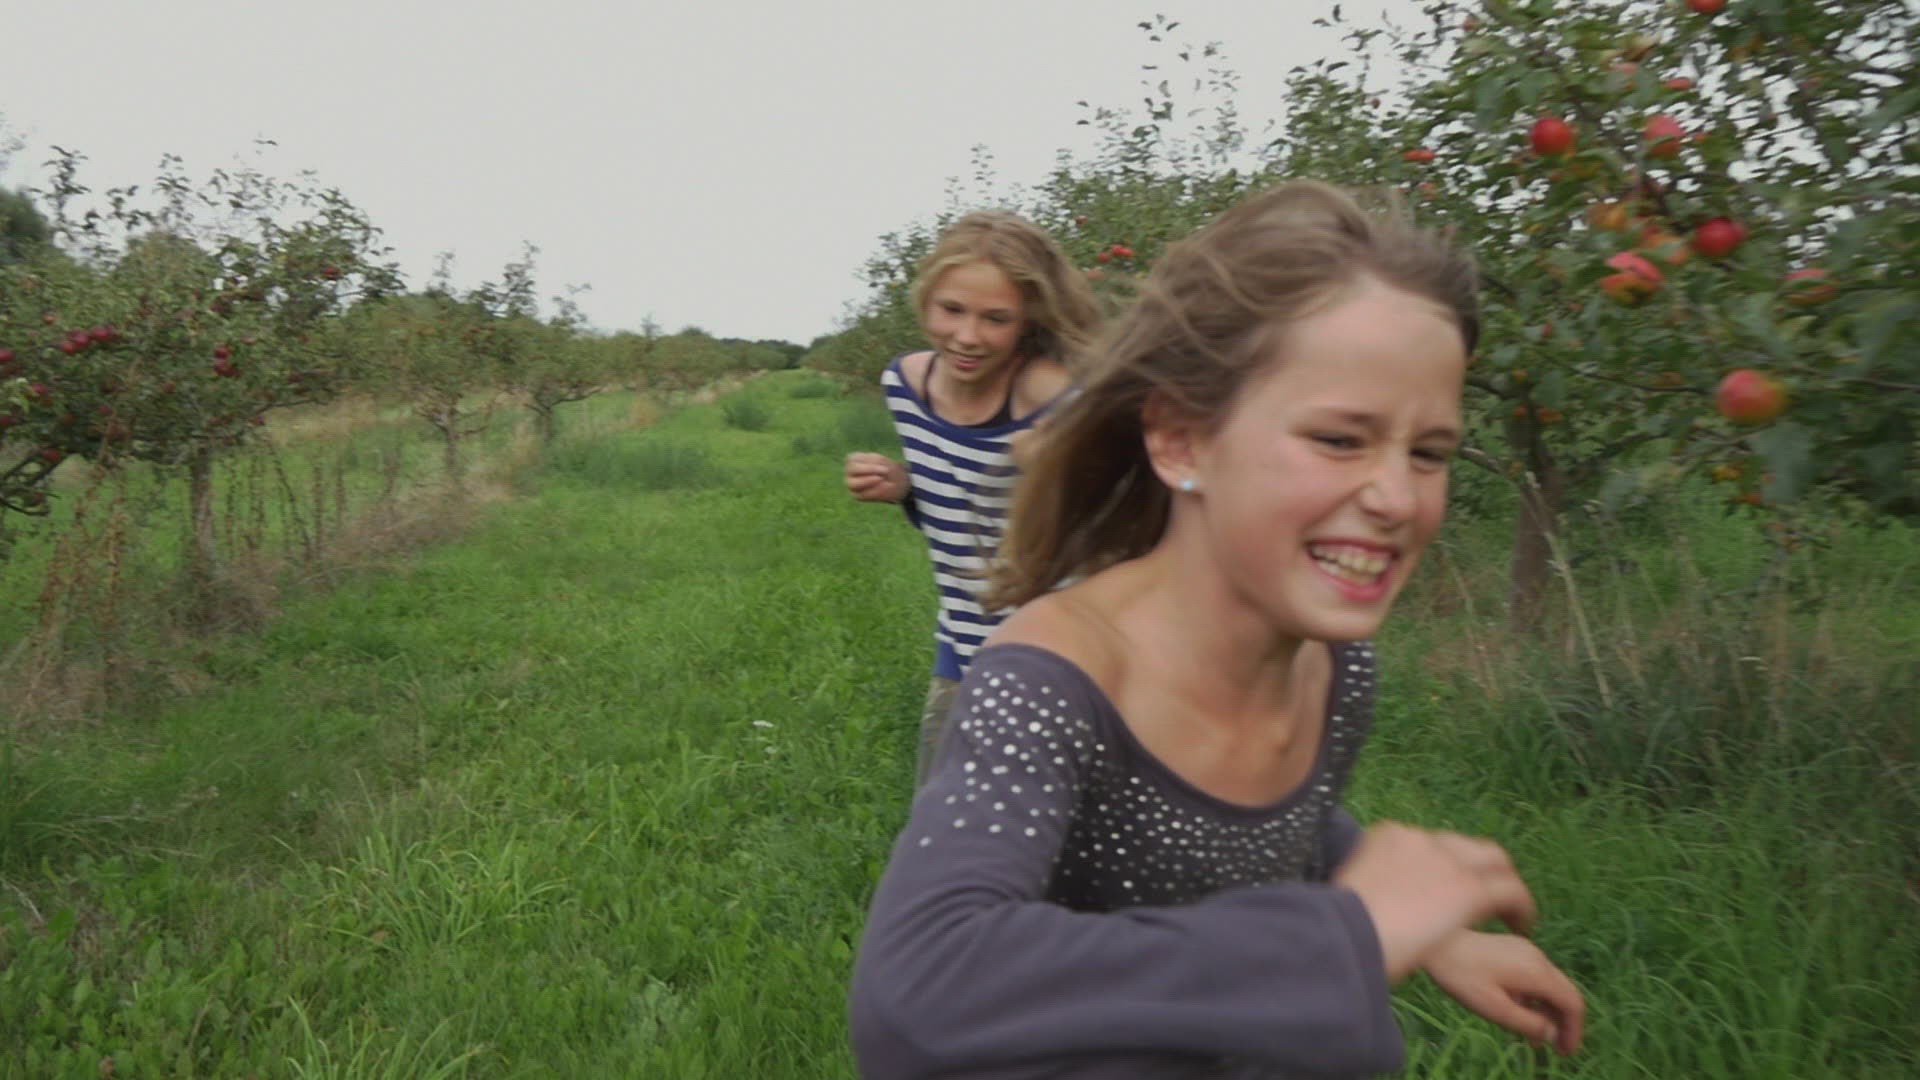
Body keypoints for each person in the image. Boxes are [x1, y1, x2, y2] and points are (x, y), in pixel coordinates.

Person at [847, 181, 1585, 1078]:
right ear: (1182, 441)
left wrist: (1431, 932)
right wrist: (1343, 936)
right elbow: (918, 993)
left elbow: (1259, 828)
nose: (1398, 497)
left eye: (1429, 452)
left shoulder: (1333, 665)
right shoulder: (1050, 682)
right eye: (1339, 440)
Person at [845, 210, 1101, 786]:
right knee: (941, 822)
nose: (967, 336)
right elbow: (965, 520)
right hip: (962, 650)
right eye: (952, 309)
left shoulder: (1052, 397)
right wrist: (909, 489)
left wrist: (1066, 476)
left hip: (1062, 662)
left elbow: (1125, 528)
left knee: (1057, 830)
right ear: (925, 300)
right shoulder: (905, 387)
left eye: (996, 318)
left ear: (1028, 320)